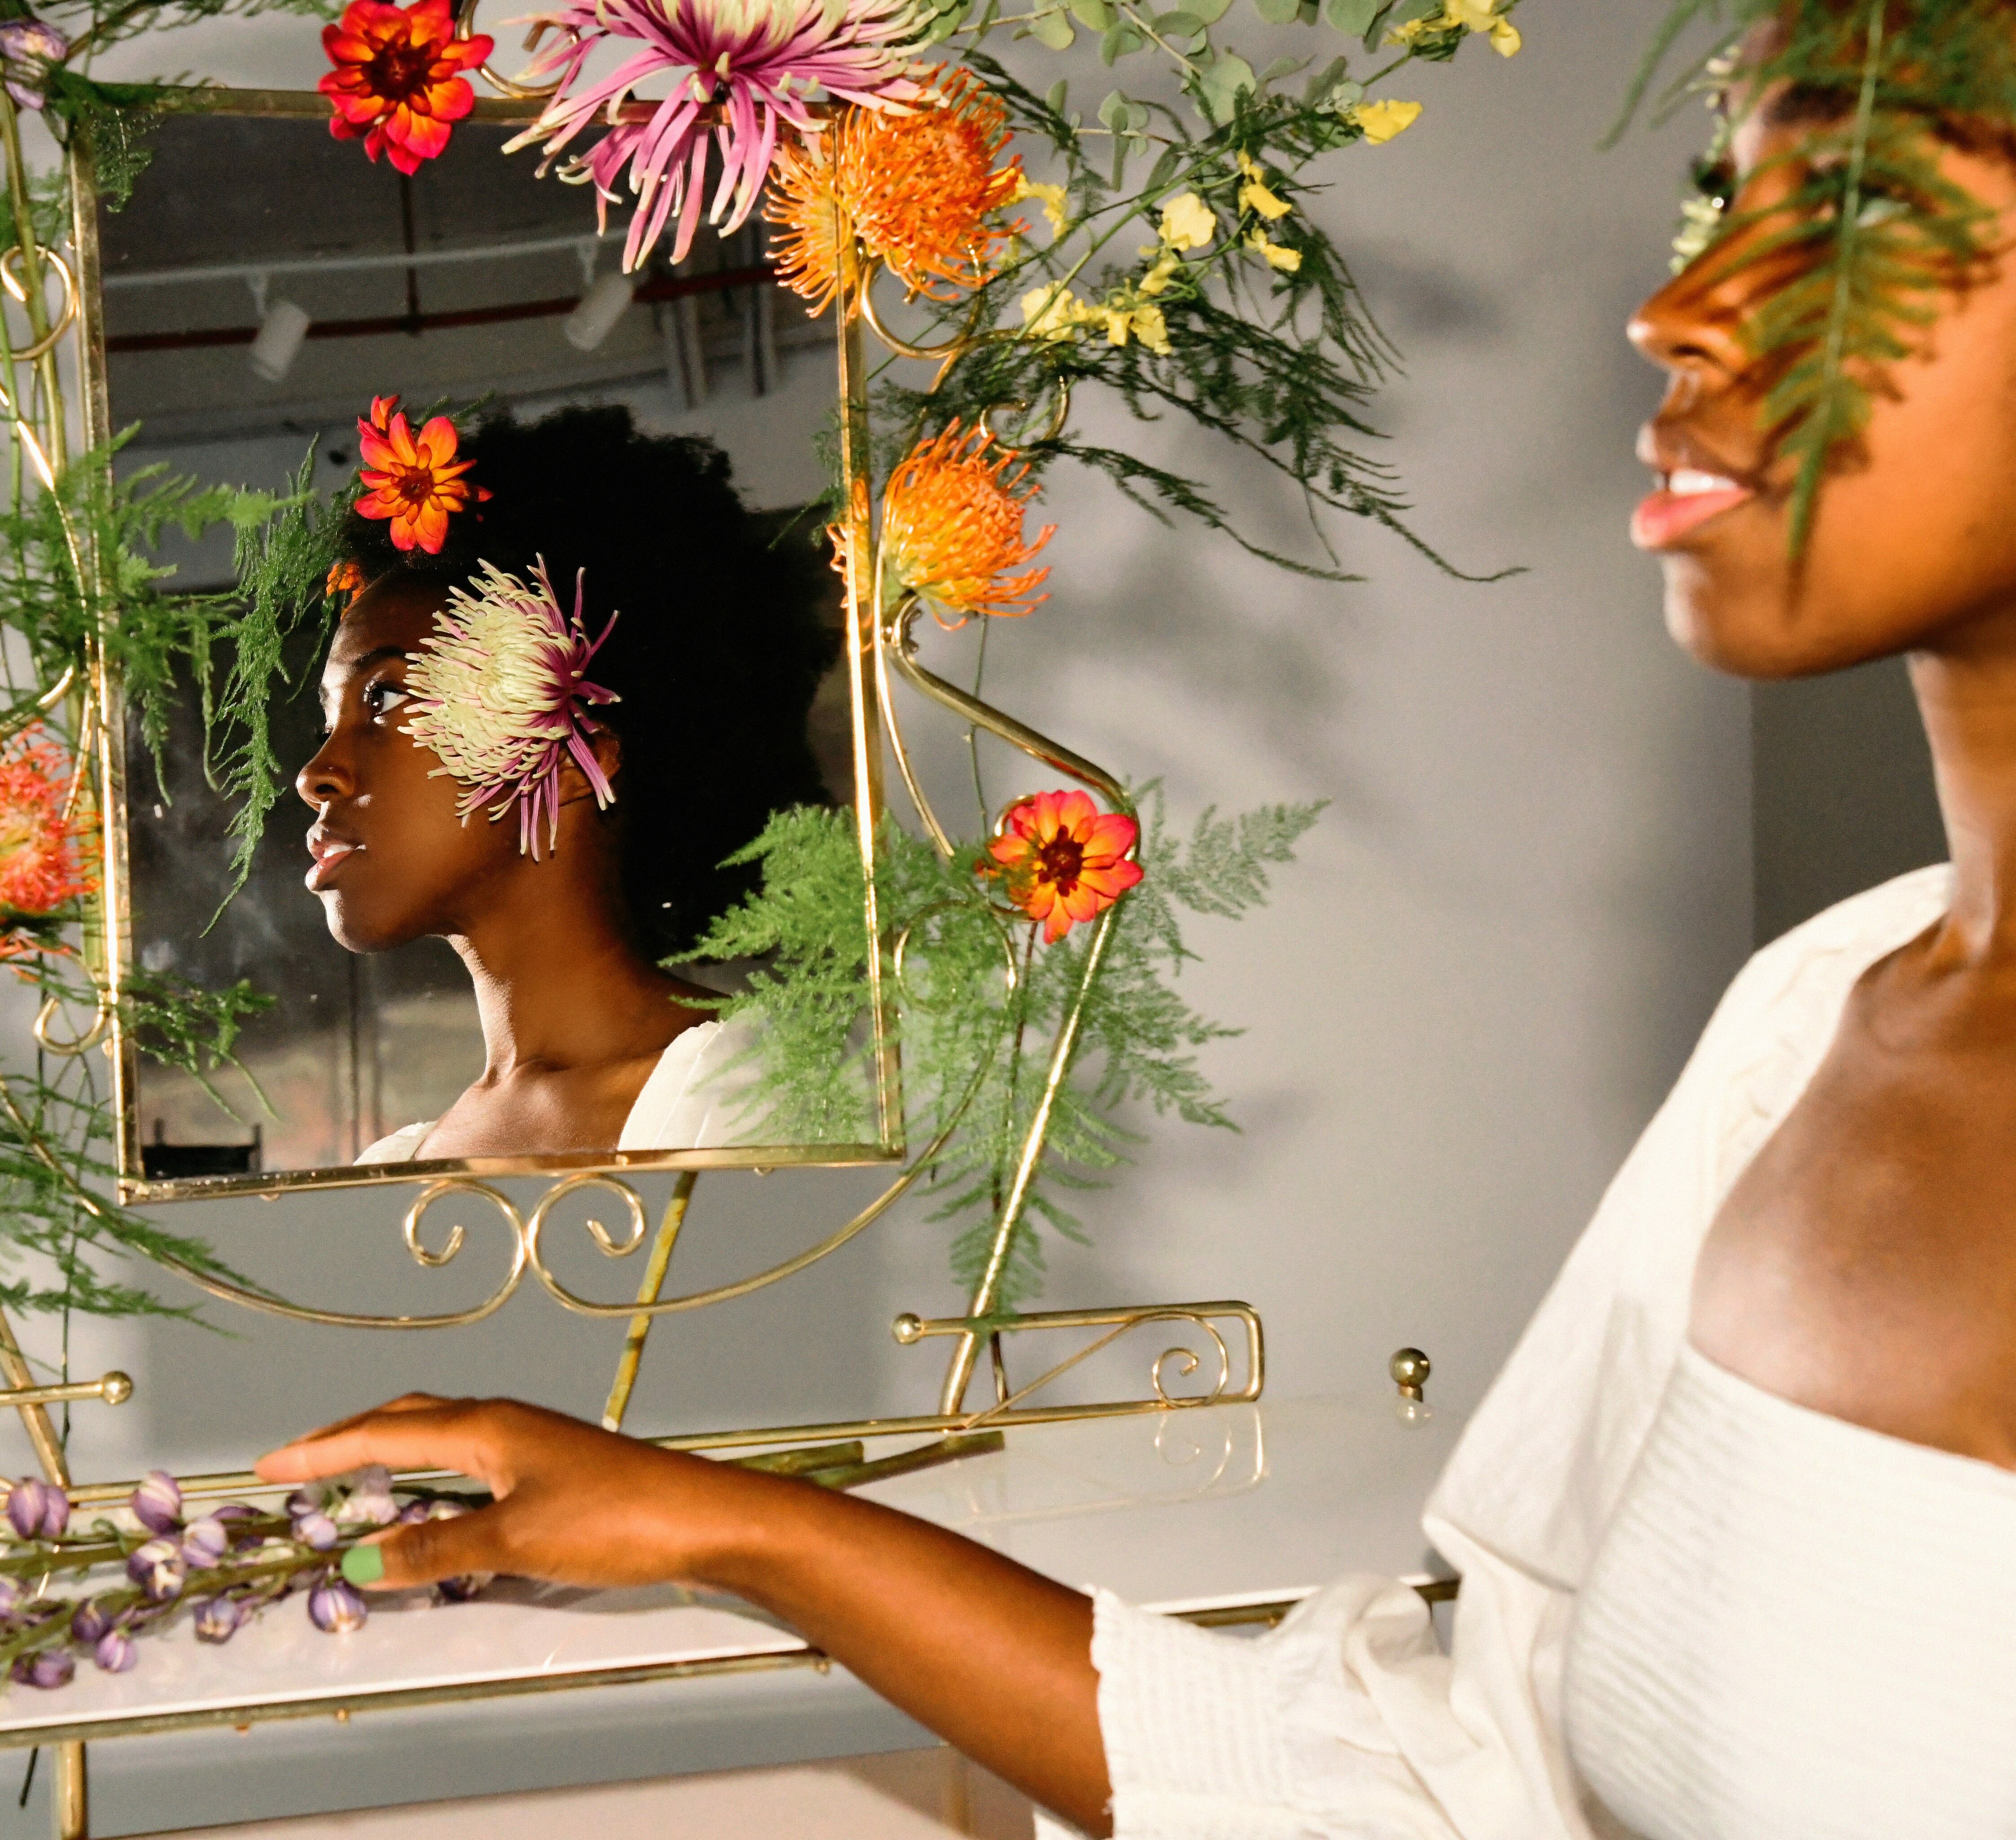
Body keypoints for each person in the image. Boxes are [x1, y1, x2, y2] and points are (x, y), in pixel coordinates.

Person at [261, 46, 2016, 1840]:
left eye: (1859, 211)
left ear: (582, 727)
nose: (1668, 309)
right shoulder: (1797, 1029)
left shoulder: (732, 1088)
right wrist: (727, 1520)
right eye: (1719, 203)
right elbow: (1452, 1772)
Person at [296, 405, 840, 1162]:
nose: (316, 775)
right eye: (330, 717)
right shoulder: (392, 1168)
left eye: (384, 698)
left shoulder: (757, 1096)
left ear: (578, 743)